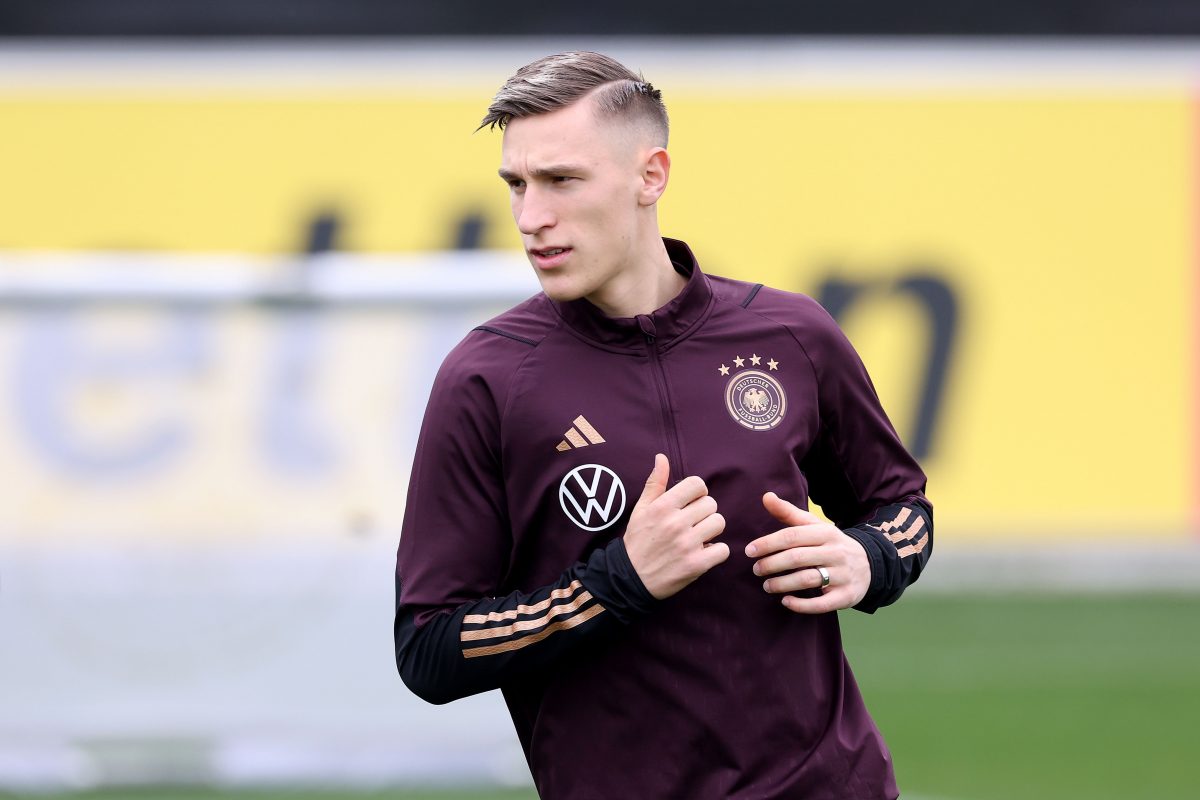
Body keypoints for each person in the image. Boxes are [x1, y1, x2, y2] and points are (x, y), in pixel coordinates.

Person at [394, 51, 932, 800]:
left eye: (562, 180)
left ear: (651, 176)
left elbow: (902, 508)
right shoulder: (487, 380)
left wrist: (867, 558)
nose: (530, 217)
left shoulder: (791, 336)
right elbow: (428, 648)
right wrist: (614, 583)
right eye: (516, 184)